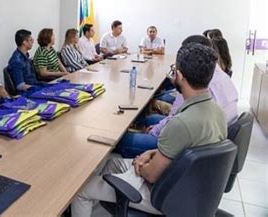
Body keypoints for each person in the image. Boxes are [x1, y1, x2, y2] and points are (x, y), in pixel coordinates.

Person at [71, 42, 227, 216]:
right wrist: (151, 153)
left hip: (164, 197)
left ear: (180, 76)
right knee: (110, 162)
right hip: (192, 189)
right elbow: (183, 151)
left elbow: (151, 175)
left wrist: (141, 164)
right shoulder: (218, 112)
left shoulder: (181, 123)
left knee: (81, 190)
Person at [116, 34, 238, 158]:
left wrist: (156, 131)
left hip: (192, 142)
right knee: (150, 119)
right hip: (210, 136)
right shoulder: (219, 76)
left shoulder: (193, 81)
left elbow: (176, 119)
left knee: (122, 139)